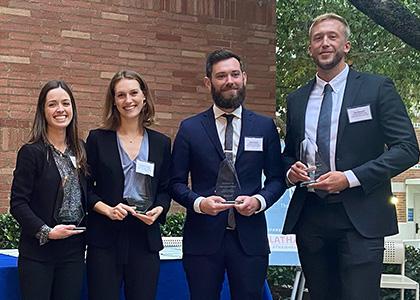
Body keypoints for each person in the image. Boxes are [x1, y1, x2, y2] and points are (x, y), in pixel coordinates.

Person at [282, 13, 420, 300]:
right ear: (309, 48)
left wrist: (349, 178)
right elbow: (289, 155)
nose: (325, 43)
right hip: (312, 218)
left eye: (332, 36)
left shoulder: (376, 88)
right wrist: (290, 172)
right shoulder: (296, 100)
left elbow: (407, 148)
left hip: (362, 216)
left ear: (346, 45)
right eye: (318, 38)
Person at [170, 49, 286, 300]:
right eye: (221, 76)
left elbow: (277, 179)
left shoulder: (265, 127)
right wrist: (200, 203)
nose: (229, 81)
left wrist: (259, 201)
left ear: (244, 77)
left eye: (235, 74)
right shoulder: (190, 128)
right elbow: (175, 182)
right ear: (208, 82)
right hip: (202, 239)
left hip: (250, 239)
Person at [86, 70, 171, 300]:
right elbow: (85, 188)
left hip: (145, 240)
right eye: (121, 95)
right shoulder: (97, 139)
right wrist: (108, 210)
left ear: (144, 97)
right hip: (105, 239)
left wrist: (159, 210)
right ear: (113, 101)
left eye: (133, 93)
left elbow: (165, 188)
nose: (128, 100)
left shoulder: (161, 143)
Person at [10, 80, 88, 300]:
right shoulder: (31, 152)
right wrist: (47, 231)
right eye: (52, 104)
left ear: (73, 108)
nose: (60, 109)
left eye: (66, 103)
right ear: (43, 111)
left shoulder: (81, 149)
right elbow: (18, 203)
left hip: (73, 252)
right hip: (39, 253)